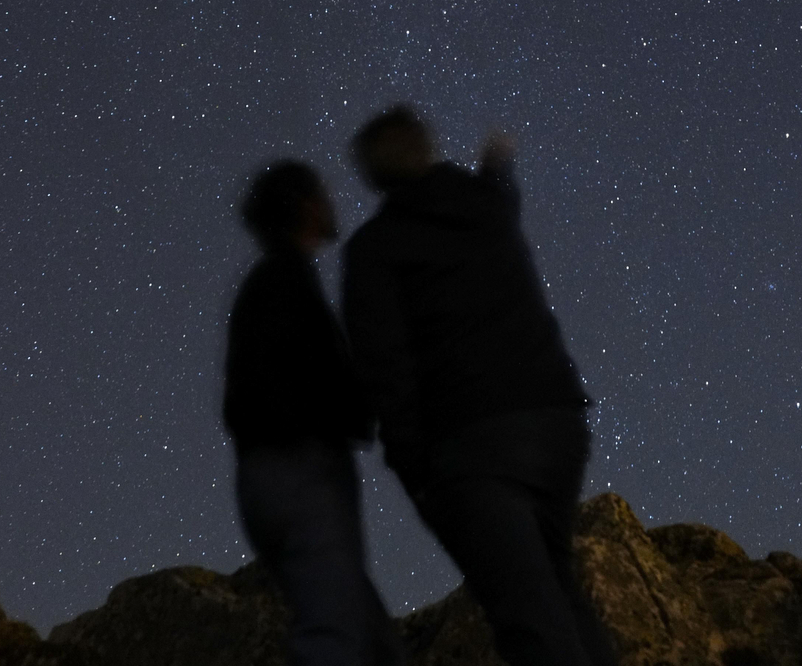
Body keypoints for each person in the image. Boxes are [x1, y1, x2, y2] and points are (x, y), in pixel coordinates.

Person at [341, 107, 615, 666]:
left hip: (470, 446)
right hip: (555, 422)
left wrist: (414, 470)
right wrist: (495, 167)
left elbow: (384, 367)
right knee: (557, 591)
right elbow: (499, 195)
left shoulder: (376, 250)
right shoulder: (485, 208)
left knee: (528, 616)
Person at [225, 160, 404, 666]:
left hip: (269, 476)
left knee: (371, 641)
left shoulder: (270, 285)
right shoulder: (286, 284)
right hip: (300, 472)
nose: (331, 202)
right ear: (305, 206)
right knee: (334, 636)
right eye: (322, 194)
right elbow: (306, 383)